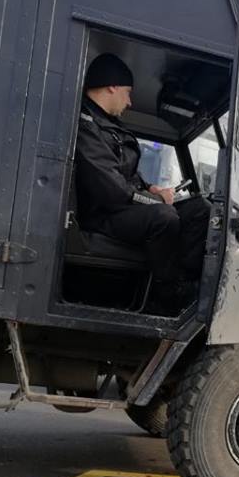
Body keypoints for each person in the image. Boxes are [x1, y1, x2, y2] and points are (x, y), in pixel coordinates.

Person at [74, 53, 210, 314]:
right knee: (164, 217)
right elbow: (109, 187)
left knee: (199, 210)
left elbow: (124, 173)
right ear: (112, 86)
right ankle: (166, 294)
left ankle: (188, 282)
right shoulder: (86, 125)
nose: (129, 100)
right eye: (127, 93)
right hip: (101, 213)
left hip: (121, 207)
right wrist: (156, 200)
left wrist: (150, 188)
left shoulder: (108, 125)